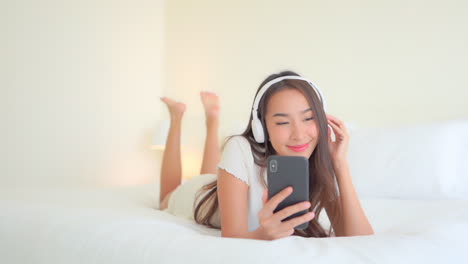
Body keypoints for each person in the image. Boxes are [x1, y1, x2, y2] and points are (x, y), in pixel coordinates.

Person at [159, 71, 374, 240]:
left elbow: (362, 240)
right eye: (282, 122)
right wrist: (262, 235)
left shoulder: (319, 162)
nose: (298, 135)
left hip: (222, 181)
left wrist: (339, 164)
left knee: (211, 173)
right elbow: (232, 237)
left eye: (308, 118)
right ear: (262, 128)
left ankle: (212, 119)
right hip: (199, 196)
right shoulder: (239, 147)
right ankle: (178, 117)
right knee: (165, 198)